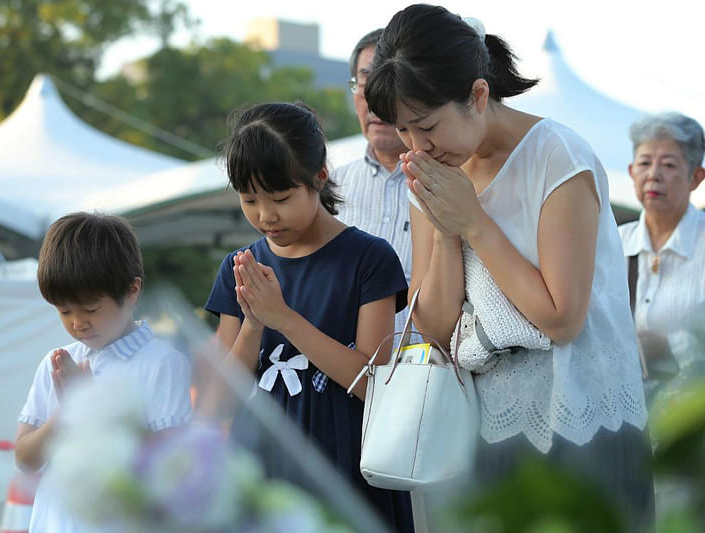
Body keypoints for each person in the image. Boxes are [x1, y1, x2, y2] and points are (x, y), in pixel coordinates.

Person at [364, 4, 653, 527]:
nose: (416, 146)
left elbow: (563, 318)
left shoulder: (557, 155)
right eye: (404, 131)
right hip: (480, 432)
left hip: (580, 422)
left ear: (477, 95)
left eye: (426, 125)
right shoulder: (432, 172)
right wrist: (447, 224)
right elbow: (434, 325)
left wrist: (472, 220)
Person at [204, 102, 413, 532]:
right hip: (261, 472)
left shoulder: (368, 259)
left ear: (319, 177)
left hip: (345, 471)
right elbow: (221, 401)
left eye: (280, 198)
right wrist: (254, 322)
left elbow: (372, 383)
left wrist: (283, 318)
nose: (266, 215)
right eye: (249, 200)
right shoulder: (239, 267)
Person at [15, 212, 193, 532]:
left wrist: (92, 405)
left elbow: (168, 470)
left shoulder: (162, 364)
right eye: (64, 311)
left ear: (132, 291)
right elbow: (25, 458)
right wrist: (67, 411)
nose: (77, 323)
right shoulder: (57, 363)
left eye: (91, 309)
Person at [619, 112, 705, 400]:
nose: (653, 174)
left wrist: (668, 349)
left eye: (668, 164)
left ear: (696, 177)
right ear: (632, 172)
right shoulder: (614, 242)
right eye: (644, 163)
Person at [332, 29, 411, 333]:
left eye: (388, 84)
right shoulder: (330, 189)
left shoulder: (450, 186)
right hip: (342, 374)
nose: (376, 100)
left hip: (430, 373)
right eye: (365, 83)